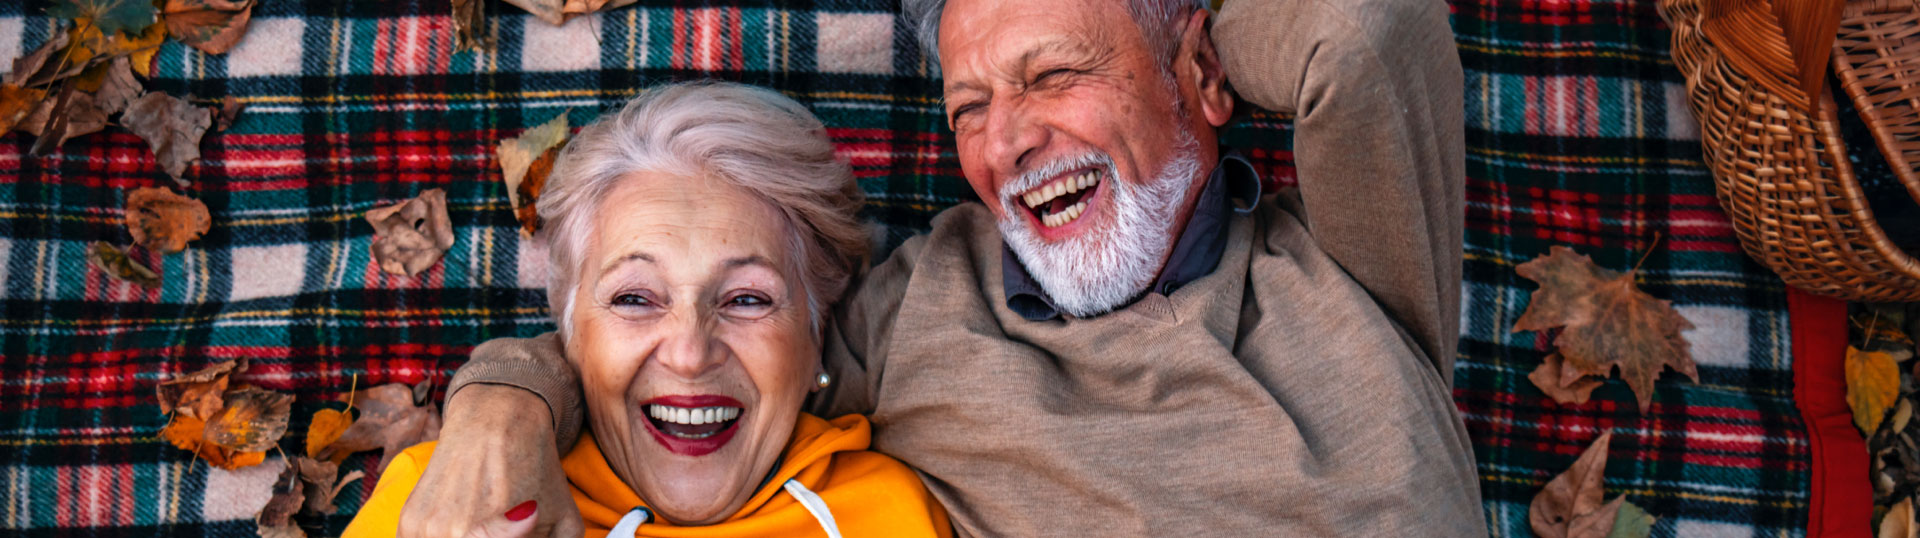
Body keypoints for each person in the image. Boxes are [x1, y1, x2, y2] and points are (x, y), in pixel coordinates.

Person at [404, 0, 1487, 535]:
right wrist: (503, 404)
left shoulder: (1354, 268)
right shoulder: (919, 305)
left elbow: (1362, 31)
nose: (1008, 140)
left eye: (1054, 74)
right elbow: (694, 333)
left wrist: (1178, 34)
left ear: (1205, 75)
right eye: (971, 107)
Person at [344, 82, 951, 538]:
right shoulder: (448, 497)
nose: (689, 354)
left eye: (747, 299)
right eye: (635, 298)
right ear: (571, 334)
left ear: (817, 334)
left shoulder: (892, 512)